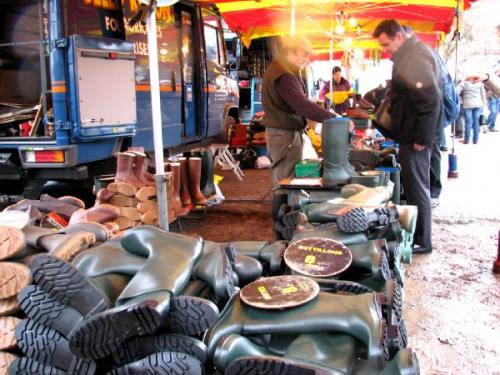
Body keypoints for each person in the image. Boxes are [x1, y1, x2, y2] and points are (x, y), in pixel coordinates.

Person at [373, 20, 443, 254]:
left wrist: (422, 137)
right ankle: (417, 235)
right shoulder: (410, 54)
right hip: (412, 133)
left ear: (399, 36)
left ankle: (423, 240)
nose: (385, 50)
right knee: (414, 187)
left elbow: (429, 98)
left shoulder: (413, 57)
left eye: (386, 44)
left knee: (417, 188)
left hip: (416, 137)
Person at [261, 35, 342, 220]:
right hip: (284, 134)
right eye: (304, 54)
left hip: (282, 132)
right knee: (284, 182)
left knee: (283, 179)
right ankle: (282, 226)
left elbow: (299, 103)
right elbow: (301, 105)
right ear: (290, 52)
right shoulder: (284, 75)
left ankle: (283, 224)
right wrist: (332, 118)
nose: (307, 59)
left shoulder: (281, 70)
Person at [456, 77, 486, 144]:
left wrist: (461, 100)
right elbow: (483, 94)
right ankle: (475, 140)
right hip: (478, 104)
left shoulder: (464, 83)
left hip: (468, 104)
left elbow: (456, 92)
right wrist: (484, 103)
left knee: (468, 122)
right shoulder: (480, 83)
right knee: (476, 122)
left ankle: (466, 140)